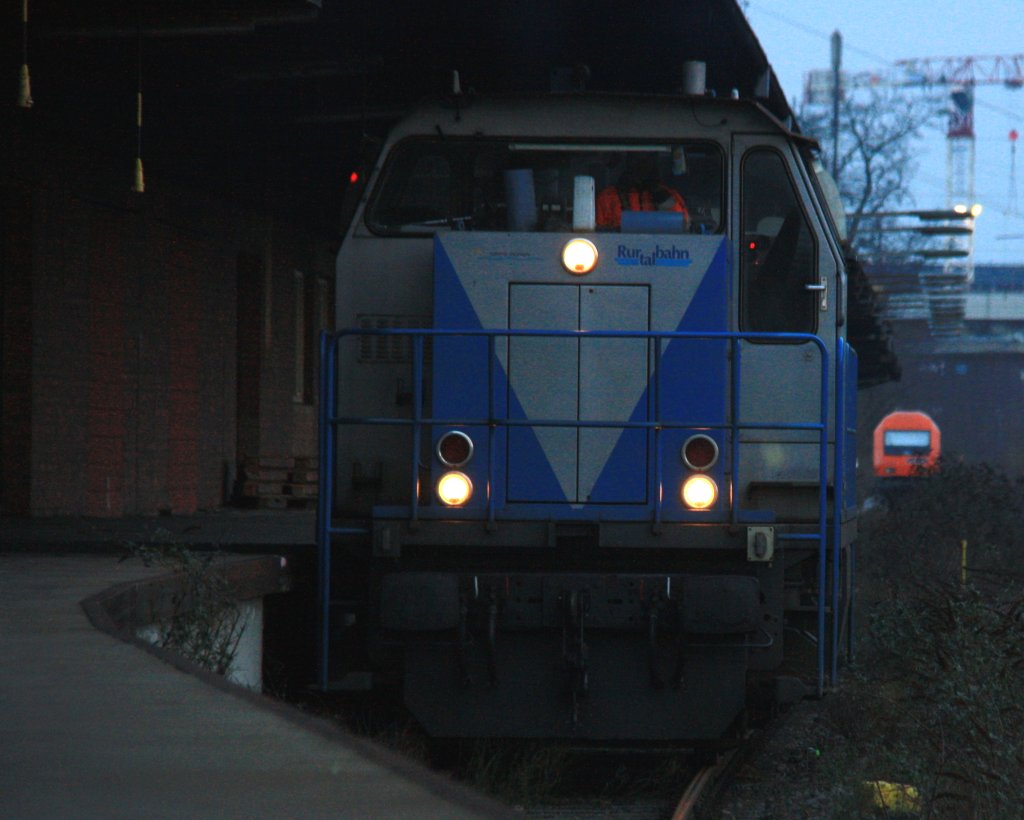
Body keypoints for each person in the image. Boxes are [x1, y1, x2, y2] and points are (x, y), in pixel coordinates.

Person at [596, 154, 690, 230]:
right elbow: (598, 233)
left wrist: (661, 196)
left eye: (647, 161)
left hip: (662, 250)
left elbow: (684, 225)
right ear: (628, 163)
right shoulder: (608, 197)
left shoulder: (669, 195)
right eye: (637, 160)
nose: (641, 167)